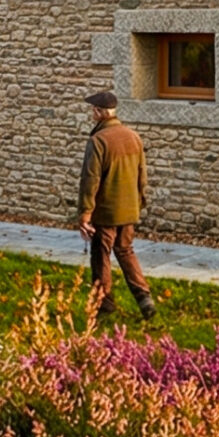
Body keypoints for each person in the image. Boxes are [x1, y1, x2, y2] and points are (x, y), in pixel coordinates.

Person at [77, 90, 155, 322]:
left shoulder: (98, 141)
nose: (92, 113)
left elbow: (90, 180)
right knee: (125, 250)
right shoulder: (133, 137)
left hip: (106, 211)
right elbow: (142, 175)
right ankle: (144, 298)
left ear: (100, 112)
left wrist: (85, 213)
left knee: (101, 254)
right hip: (129, 208)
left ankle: (104, 304)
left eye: (93, 110)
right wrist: (138, 203)